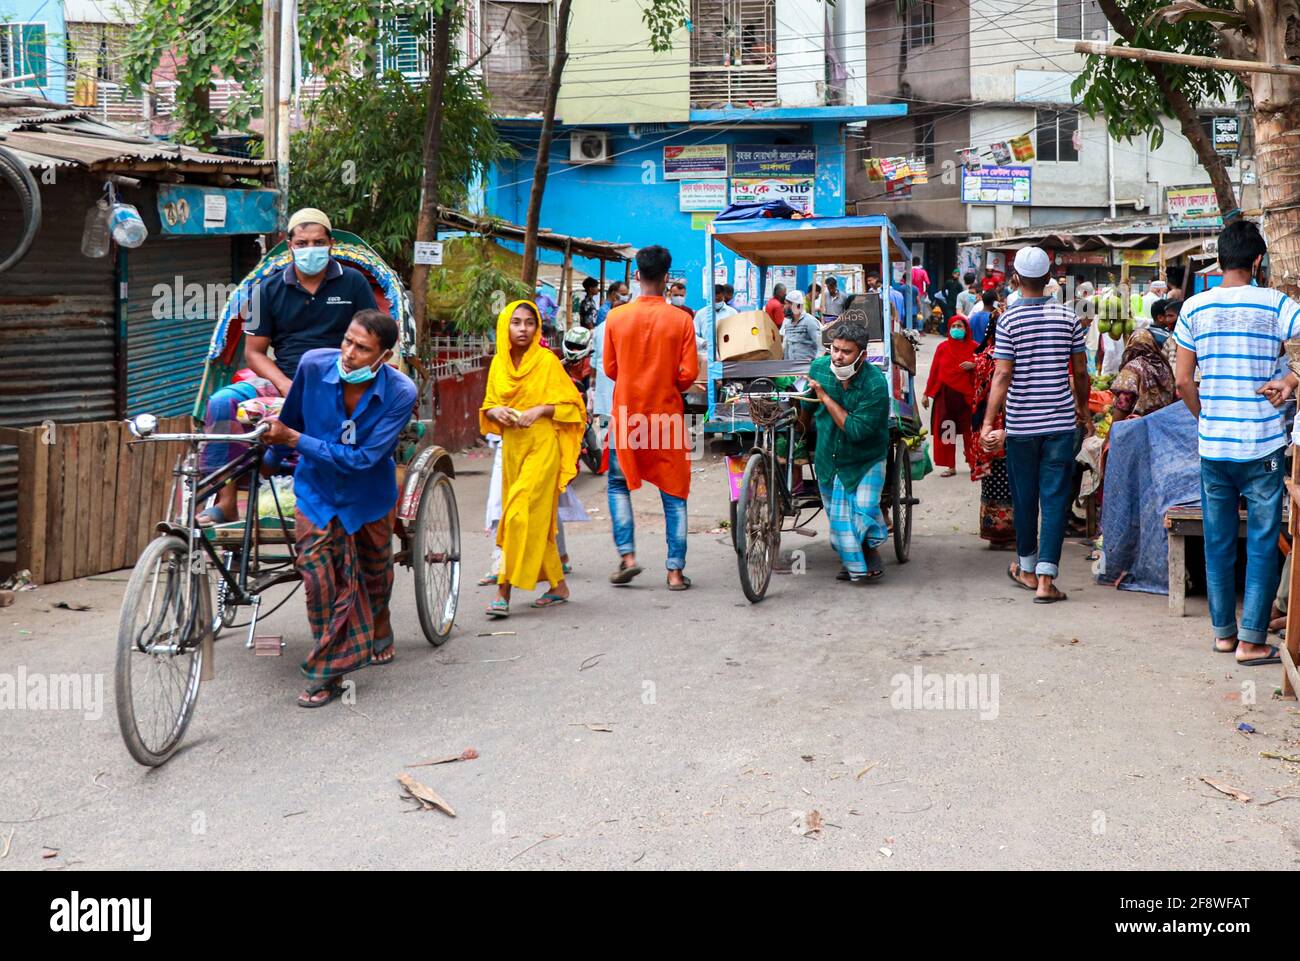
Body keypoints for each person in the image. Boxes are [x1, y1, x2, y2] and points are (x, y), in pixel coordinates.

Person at [260, 310, 416, 707]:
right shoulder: (313, 366)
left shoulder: (400, 393)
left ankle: (379, 621)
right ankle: (329, 673)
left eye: (362, 349)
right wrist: (273, 456)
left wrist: (295, 439)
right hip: (317, 493)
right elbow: (290, 420)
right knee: (318, 579)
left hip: (368, 497)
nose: (348, 353)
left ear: (384, 356)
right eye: (347, 340)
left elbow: (364, 458)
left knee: (376, 572)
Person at [199, 207, 378, 526]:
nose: (311, 250)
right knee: (221, 403)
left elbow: (374, 339)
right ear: (290, 244)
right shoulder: (263, 290)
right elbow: (254, 353)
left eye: (318, 242)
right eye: (303, 243)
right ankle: (225, 500)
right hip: (284, 378)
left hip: (340, 379)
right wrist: (284, 385)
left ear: (331, 244)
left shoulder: (354, 284)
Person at [1176, 219, 1300, 666]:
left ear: (1220, 259)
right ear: (1257, 260)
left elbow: (1183, 380)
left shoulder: (1193, 308)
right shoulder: (1277, 305)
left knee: (1218, 539)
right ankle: (1251, 641)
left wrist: (1205, 416)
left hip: (1214, 446)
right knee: (1264, 539)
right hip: (1262, 443)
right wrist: (1290, 379)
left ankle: (1224, 635)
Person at [981, 246, 1092, 604]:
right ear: (1049, 280)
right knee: (1056, 498)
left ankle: (1027, 568)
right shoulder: (1068, 317)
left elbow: (1002, 375)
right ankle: (1046, 578)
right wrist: (1084, 412)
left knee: (1025, 497)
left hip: (1021, 426)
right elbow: (1080, 372)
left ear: (1016, 279)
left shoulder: (1008, 320)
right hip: (1060, 423)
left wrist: (987, 423)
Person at [480, 300, 586, 618]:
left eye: (529, 322)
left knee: (517, 512)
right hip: (512, 446)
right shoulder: (499, 363)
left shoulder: (547, 361)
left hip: (543, 445)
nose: (523, 328)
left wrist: (540, 410)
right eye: (516, 322)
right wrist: (496, 411)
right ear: (505, 327)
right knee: (538, 519)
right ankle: (557, 585)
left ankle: (503, 590)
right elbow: (489, 405)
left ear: (537, 326)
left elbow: (573, 406)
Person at [604, 245, 698, 590]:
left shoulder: (615, 317)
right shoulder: (682, 320)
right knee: (674, 492)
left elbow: (611, 368)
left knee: (617, 484)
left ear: (637, 276)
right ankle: (674, 572)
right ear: (667, 278)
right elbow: (688, 374)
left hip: (627, 414)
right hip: (666, 415)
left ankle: (628, 557)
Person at [805, 320, 892, 583]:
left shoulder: (875, 385)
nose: (838, 357)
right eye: (835, 349)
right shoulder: (819, 369)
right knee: (839, 519)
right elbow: (805, 408)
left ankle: (867, 548)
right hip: (828, 457)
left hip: (865, 458)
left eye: (846, 352)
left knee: (864, 508)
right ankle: (853, 557)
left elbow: (854, 430)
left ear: (862, 355)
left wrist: (825, 398)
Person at [971, 321, 1015, 549]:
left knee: (992, 479)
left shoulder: (983, 357)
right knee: (1008, 478)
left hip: (984, 423)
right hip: (1004, 423)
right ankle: (1006, 534)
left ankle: (992, 533)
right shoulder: (1002, 358)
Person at [923, 314, 978, 477]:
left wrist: (974, 365)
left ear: (966, 329)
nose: (956, 330)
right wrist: (927, 393)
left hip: (967, 395)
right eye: (953, 327)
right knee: (947, 431)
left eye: (960, 326)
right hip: (945, 396)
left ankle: (974, 463)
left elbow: (985, 366)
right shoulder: (942, 348)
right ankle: (950, 465)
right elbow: (934, 371)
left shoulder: (975, 347)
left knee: (971, 431)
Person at [1110, 329, 1175, 419]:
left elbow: (1123, 404)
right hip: (1162, 424)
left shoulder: (1132, 369)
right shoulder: (1165, 367)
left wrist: (1113, 431)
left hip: (1138, 426)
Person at [693, 283, 737, 354]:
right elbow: (693, 334)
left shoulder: (732, 313)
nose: (716, 302)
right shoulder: (701, 314)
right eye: (714, 300)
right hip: (705, 352)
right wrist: (703, 343)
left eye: (719, 299)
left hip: (727, 352)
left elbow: (738, 332)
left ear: (723, 296)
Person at [781, 289, 821, 362]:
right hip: (791, 368)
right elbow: (787, 346)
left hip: (807, 368)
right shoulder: (788, 323)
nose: (784, 307)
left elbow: (821, 345)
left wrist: (816, 364)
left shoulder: (809, 321)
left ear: (796, 305)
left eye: (786, 304)